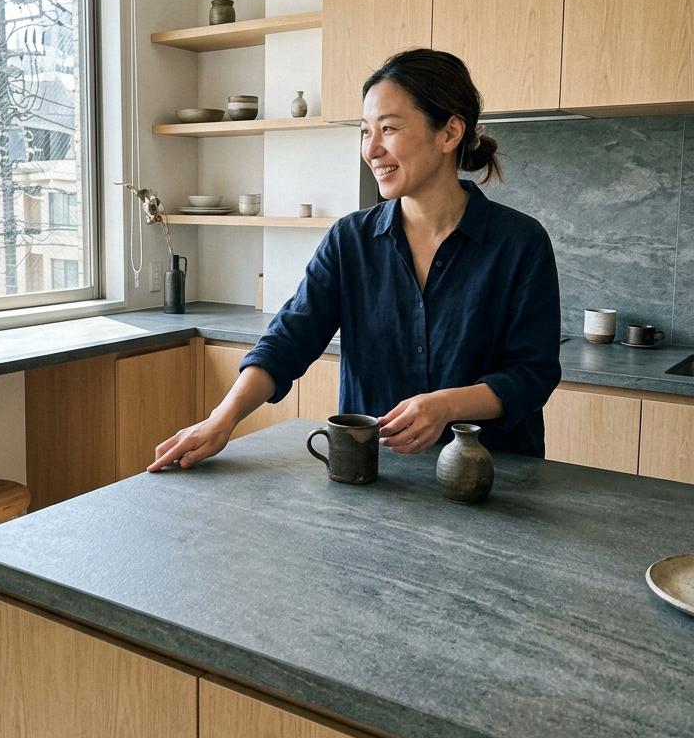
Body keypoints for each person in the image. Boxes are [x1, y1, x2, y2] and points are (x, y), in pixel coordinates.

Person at [149, 48, 561, 473]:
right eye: (365, 131)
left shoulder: (519, 243)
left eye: (389, 128)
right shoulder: (351, 241)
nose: (372, 149)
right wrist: (221, 421)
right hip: (376, 475)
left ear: (449, 132)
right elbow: (288, 340)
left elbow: (533, 374)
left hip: (493, 479)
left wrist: (447, 405)